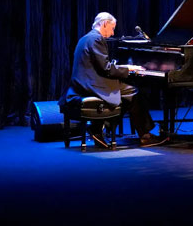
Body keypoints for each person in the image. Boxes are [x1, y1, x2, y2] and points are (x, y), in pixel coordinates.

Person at [59, 12, 167, 148]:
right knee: (133, 92)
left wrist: (125, 67)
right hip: (92, 84)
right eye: (112, 28)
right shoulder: (96, 39)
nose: (112, 33)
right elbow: (106, 69)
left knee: (126, 92)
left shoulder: (86, 38)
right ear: (104, 24)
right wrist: (128, 70)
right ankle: (144, 135)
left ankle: (102, 126)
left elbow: (101, 65)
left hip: (83, 83)